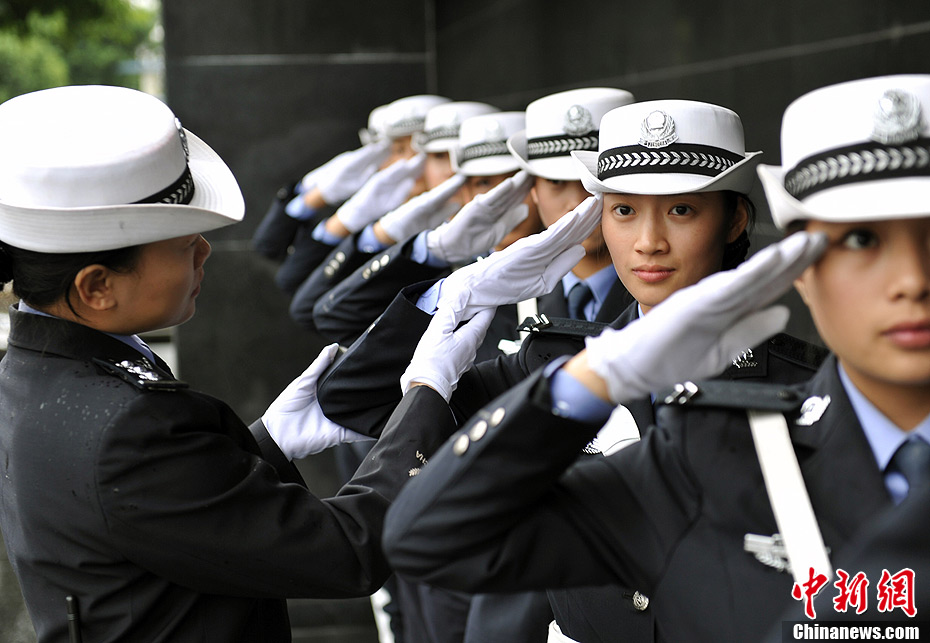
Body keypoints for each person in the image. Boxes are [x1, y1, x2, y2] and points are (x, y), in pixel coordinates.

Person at [380, 74, 930, 640]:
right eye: (862, 240)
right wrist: (592, 375)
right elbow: (427, 534)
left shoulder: (770, 411)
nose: (912, 281)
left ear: (736, 219)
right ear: (804, 266)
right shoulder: (722, 454)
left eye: (682, 210)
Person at [0, 85, 462, 643]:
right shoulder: (125, 426)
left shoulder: (33, 372)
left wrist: (264, 443)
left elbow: (162, 517)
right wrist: (425, 398)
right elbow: (347, 553)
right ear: (97, 287)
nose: (205, 252)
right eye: (180, 244)